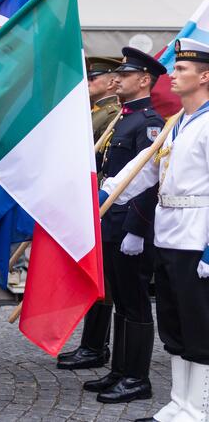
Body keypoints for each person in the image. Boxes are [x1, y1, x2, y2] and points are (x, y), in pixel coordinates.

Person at [103, 38, 209, 422]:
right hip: (168, 233)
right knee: (174, 324)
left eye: (181, 69)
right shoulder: (177, 123)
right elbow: (147, 171)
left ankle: (199, 408)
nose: (173, 75)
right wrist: (107, 190)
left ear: (205, 76)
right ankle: (179, 402)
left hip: (197, 237)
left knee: (199, 326)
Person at [69, 48, 165, 406]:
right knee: (121, 300)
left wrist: (137, 230)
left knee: (135, 301)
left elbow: (148, 181)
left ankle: (137, 378)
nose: (117, 79)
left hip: (129, 226)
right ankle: (121, 369)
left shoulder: (150, 121)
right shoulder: (123, 119)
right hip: (110, 221)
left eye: (125, 75)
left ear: (144, 80)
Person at [56, 56, 123, 370]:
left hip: (104, 207)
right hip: (89, 205)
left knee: (104, 280)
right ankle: (91, 344)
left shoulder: (111, 115)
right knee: (95, 277)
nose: (88, 83)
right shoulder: (96, 114)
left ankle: (96, 347)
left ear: (111, 82)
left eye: (94, 78)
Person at [88, 57, 123, 144]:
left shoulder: (113, 113)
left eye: (92, 79)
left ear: (111, 83)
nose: (87, 83)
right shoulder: (93, 111)